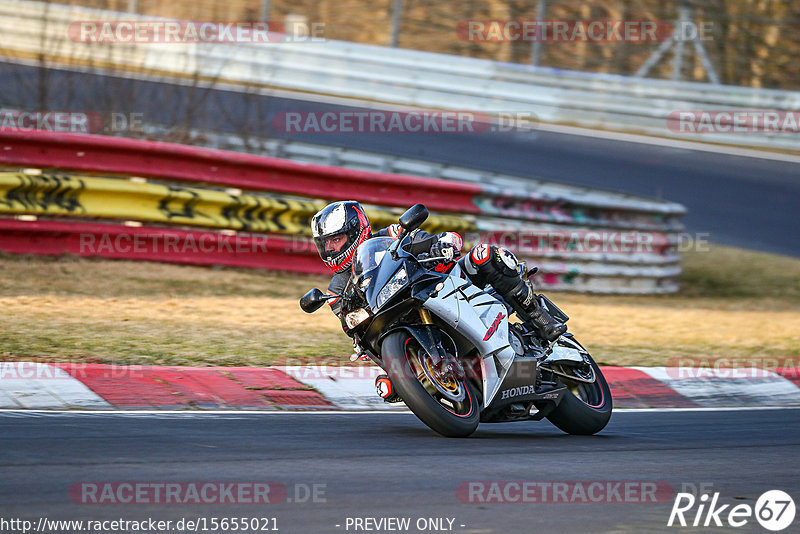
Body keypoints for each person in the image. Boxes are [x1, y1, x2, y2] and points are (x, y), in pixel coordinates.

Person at [310, 200, 567, 402]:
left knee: (485, 255)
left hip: (445, 283)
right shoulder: (335, 291)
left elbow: (425, 240)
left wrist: (440, 243)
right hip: (401, 314)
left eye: (337, 239)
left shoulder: (391, 235)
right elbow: (361, 333)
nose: (332, 249)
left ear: (356, 230)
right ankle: (413, 373)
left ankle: (540, 319)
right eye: (327, 244)